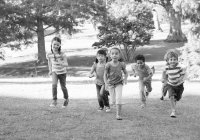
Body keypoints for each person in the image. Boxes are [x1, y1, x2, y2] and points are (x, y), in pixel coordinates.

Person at [104, 47, 128, 120]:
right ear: (110, 55)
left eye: (116, 54)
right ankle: (111, 100)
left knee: (119, 98)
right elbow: (104, 75)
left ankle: (118, 115)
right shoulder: (108, 65)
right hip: (110, 84)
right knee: (113, 101)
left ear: (119, 55)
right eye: (113, 54)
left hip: (119, 83)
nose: (114, 55)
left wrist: (125, 79)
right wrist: (106, 84)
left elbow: (126, 73)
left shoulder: (121, 64)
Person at [162, 49, 186, 118]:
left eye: (174, 59)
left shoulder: (179, 67)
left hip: (179, 85)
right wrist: (164, 79)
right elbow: (164, 73)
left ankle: (176, 100)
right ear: (168, 60)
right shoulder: (167, 67)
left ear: (177, 60)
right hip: (170, 85)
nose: (173, 61)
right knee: (171, 97)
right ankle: (173, 111)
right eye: (171, 59)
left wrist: (180, 79)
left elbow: (183, 75)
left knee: (177, 98)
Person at [46, 37, 69, 108]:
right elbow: (49, 62)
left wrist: (61, 63)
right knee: (54, 85)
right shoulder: (49, 54)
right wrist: (50, 70)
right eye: (54, 44)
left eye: (58, 45)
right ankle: (54, 100)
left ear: (60, 46)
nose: (56, 46)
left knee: (63, 87)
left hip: (62, 72)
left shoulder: (62, 54)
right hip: (54, 72)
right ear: (51, 44)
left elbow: (66, 64)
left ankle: (66, 99)